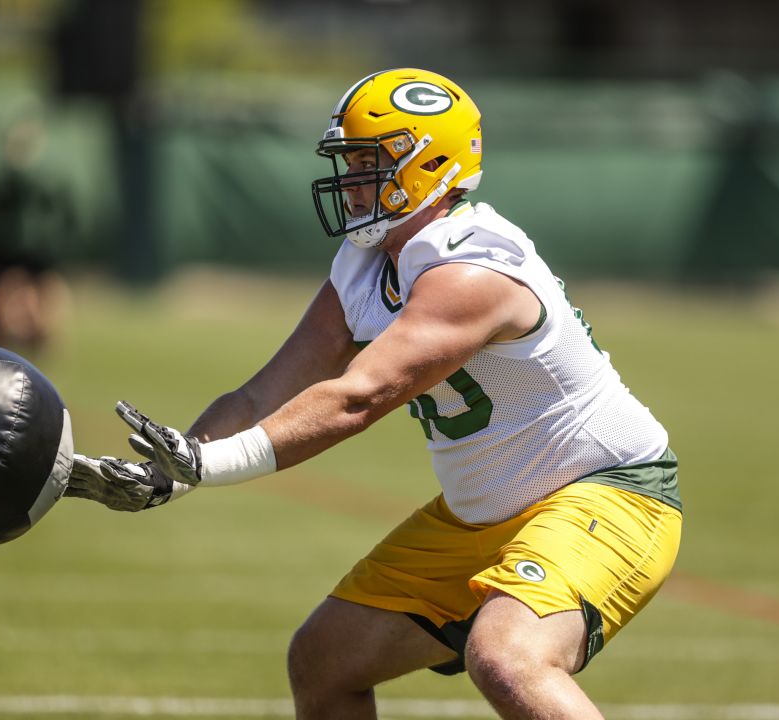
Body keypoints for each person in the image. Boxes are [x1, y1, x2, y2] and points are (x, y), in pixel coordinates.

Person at [67, 68, 683, 720]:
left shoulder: (473, 268)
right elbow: (262, 396)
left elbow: (358, 397)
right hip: (483, 514)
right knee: (324, 660)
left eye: (370, 163)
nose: (353, 181)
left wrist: (210, 465)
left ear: (431, 164)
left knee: (508, 656)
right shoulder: (366, 264)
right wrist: (174, 469)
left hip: (606, 493)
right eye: (351, 162)